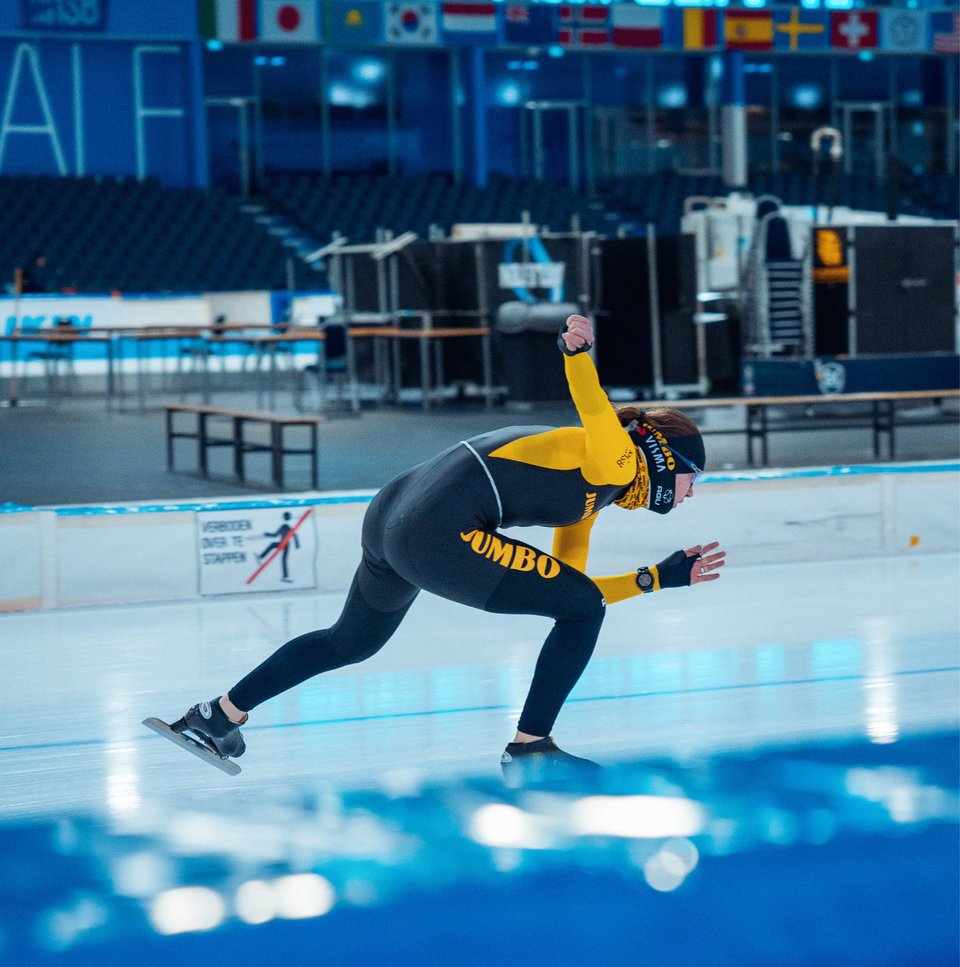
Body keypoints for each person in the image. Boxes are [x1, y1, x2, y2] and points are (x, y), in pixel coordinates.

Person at [165, 314, 725, 776]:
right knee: (579, 607)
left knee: (349, 642)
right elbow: (594, 402)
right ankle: (530, 749)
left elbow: (572, 589)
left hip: (393, 514)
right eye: (692, 477)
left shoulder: (594, 492)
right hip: (438, 529)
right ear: (663, 458)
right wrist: (574, 351)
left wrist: (655, 578)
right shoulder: (616, 457)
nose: (692, 492)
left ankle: (216, 715)